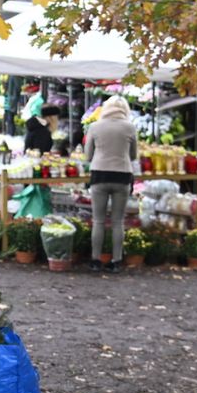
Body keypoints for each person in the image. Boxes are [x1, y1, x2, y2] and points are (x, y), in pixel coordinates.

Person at [84, 95, 139, 271]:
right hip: (122, 174)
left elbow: (88, 155)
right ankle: (116, 260)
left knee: (98, 220)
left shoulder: (95, 126)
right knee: (117, 221)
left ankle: (95, 259)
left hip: (99, 174)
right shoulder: (130, 127)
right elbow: (133, 155)